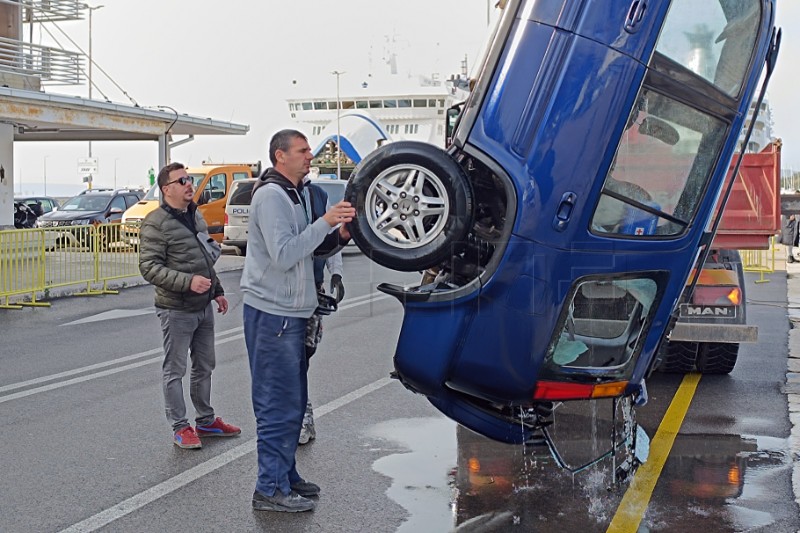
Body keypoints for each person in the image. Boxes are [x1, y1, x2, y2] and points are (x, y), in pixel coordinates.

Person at [241, 129, 354, 513]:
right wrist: (324, 221)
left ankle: (286, 475)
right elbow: (285, 254)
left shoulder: (295, 193)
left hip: (291, 313)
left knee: (292, 402)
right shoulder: (272, 196)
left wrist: (340, 234)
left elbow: (312, 247)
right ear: (280, 156)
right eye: (303, 151)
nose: (310, 156)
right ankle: (269, 488)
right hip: (273, 314)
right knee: (277, 404)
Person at [139, 162, 241, 450]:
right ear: (166, 188)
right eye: (181, 180)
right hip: (176, 308)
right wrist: (187, 282)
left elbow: (204, 258)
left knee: (205, 365)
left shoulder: (195, 216)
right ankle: (180, 426)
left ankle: (206, 421)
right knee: (175, 369)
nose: (188, 184)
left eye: (189, 179)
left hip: (203, 306)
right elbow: (148, 267)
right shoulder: (155, 222)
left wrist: (216, 290)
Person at [299, 177, 346, 445]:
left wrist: (336, 274)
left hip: (314, 289)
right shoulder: (277, 194)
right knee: (295, 360)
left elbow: (331, 237)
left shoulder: (318, 195)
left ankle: (304, 420)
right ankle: (302, 420)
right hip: (288, 291)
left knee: (306, 351)